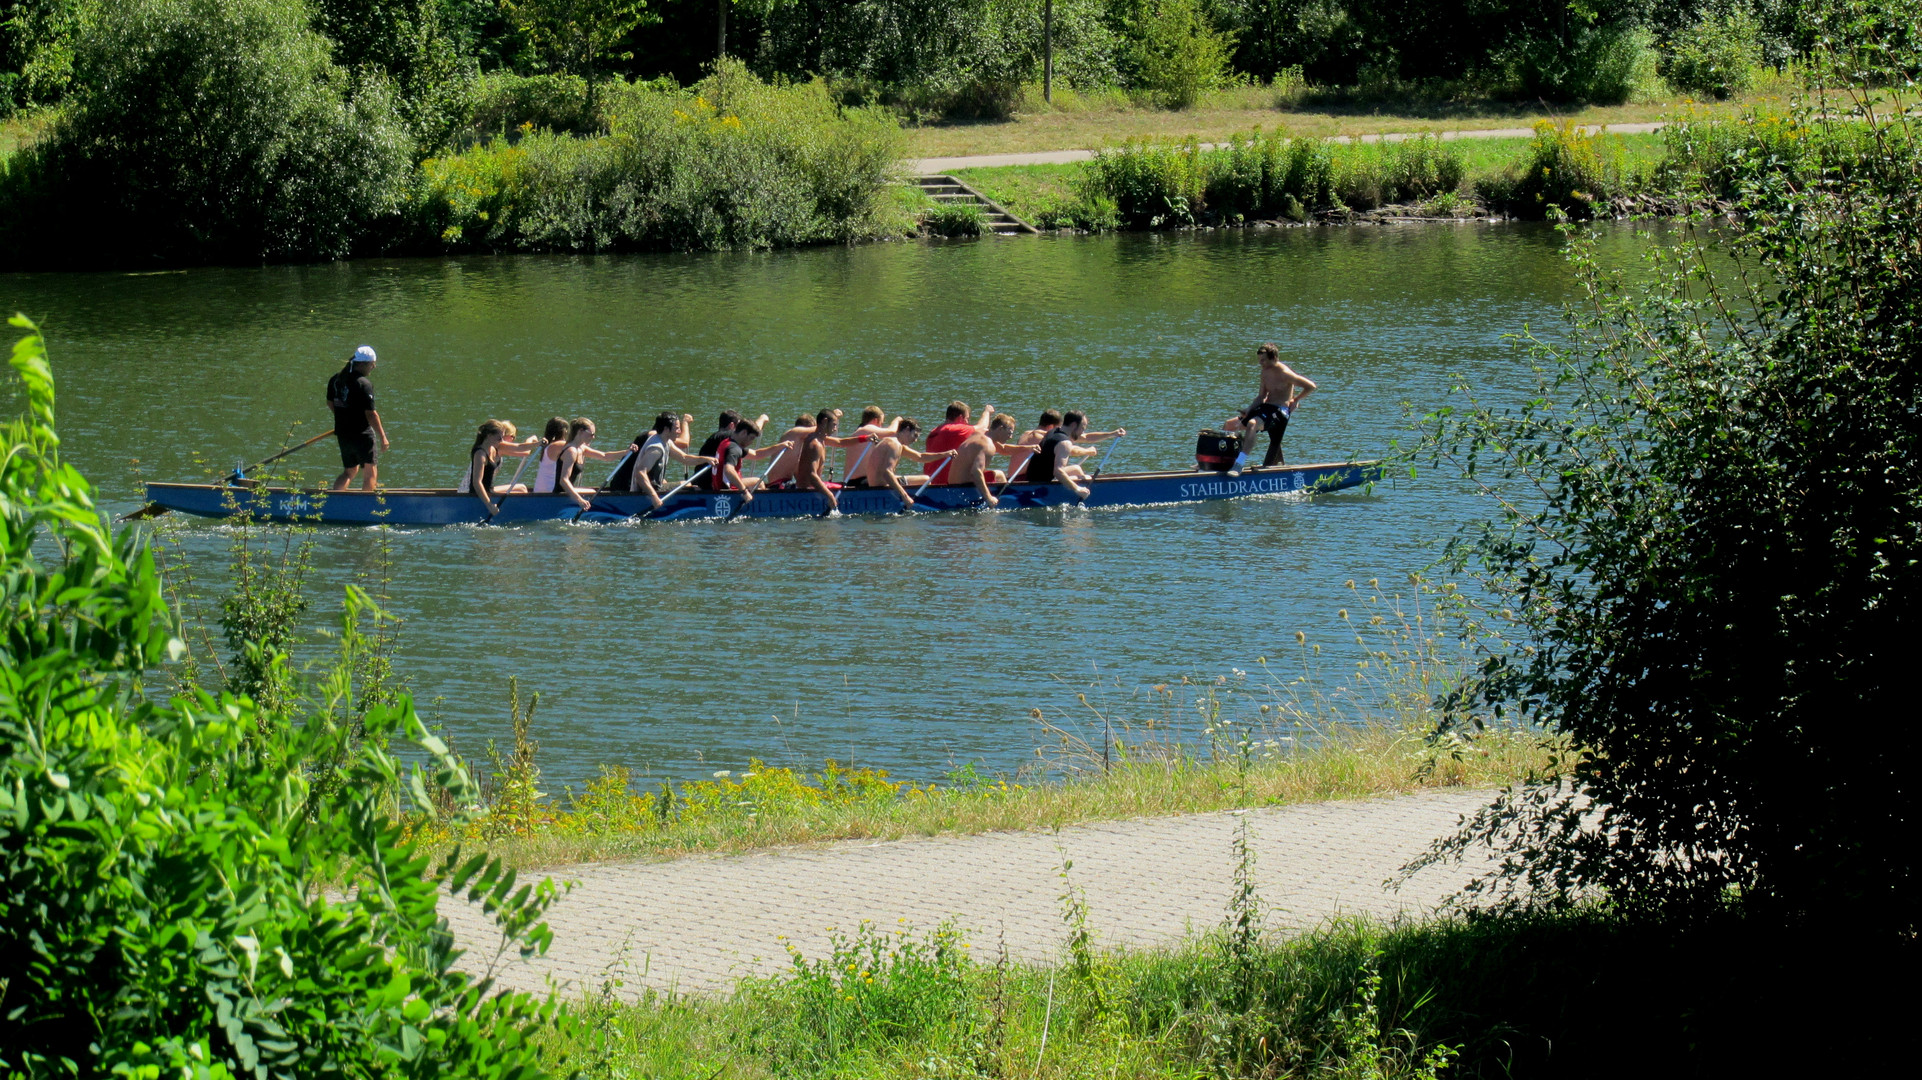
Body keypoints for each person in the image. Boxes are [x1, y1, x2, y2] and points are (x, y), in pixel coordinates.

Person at [1233, 343, 1317, 472]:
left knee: (1252, 424)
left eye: (1263, 360)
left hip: (1279, 411)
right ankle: (1218, 462)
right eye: (1259, 360)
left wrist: (1296, 399)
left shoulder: (1285, 373)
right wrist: (1249, 409)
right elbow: (1261, 397)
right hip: (1266, 408)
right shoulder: (1264, 372)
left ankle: (1239, 463)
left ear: (1274, 358)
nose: (1261, 363)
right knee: (1230, 425)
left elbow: (1310, 386)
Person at [616, 412, 709, 509]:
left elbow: (685, 458)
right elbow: (640, 473)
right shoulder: (656, 447)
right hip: (639, 491)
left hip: (648, 486)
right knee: (691, 486)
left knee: (669, 482)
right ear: (666, 429)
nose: (679, 431)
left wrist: (707, 459)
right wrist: (654, 497)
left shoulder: (665, 441)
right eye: (677, 428)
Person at [326, 345, 388, 491]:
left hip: (343, 434)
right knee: (370, 473)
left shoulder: (335, 380)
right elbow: (371, 414)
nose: (373, 367)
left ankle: (335, 502)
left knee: (349, 471)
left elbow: (330, 403)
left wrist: (343, 417)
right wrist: (383, 437)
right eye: (372, 364)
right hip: (362, 435)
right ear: (363, 364)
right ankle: (367, 508)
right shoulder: (363, 384)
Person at [1019, 410, 1117, 500]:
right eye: (1082, 428)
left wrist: (1112, 434)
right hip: (1042, 485)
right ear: (1074, 425)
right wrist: (1077, 489)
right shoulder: (1064, 443)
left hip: (1034, 477)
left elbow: (1087, 437)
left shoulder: (1054, 431)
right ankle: (1085, 496)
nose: (1083, 432)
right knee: (1087, 479)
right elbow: (1058, 471)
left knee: (1076, 468)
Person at [866, 418, 958, 511]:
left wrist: (946, 454)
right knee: (925, 479)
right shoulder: (895, 444)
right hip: (881, 487)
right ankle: (918, 505)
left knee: (921, 478)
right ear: (906, 429)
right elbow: (887, 472)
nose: (916, 440)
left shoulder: (891, 441)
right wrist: (905, 496)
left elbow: (920, 457)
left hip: (875, 484)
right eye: (915, 435)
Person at [1007, 408, 1119, 478]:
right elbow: (1071, 450)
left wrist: (1112, 434)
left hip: (1016, 476)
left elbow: (1085, 437)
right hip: (1024, 479)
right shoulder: (1043, 436)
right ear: (1051, 427)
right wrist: (1088, 451)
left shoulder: (1026, 433)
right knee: (1076, 469)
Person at [457, 420, 537, 516]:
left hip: (486, 489)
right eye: (512, 436)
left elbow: (520, 447)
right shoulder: (481, 453)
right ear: (489, 436)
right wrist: (489, 505)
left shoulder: (493, 447)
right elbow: (476, 482)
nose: (502, 441)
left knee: (522, 488)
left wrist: (538, 443)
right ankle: (518, 514)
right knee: (522, 489)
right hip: (469, 492)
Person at [949, 413, 1021, 507]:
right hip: (964, 490)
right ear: (1000, 429)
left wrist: (1029, 448)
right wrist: (988, 497)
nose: (1010, 437)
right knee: (999, 476)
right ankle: (1004, 503)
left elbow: (1004, 449)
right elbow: (976, 472)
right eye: (1010, 433)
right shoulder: (987, 445)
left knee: (998, 473)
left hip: (951, 486)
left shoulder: (977, 435)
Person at [552, 417, 621, 511]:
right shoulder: (571, 451)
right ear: (581, 431)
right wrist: (580, 500)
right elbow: (563, 480)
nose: (593, 437)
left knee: (593, 491)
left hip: (567, 492)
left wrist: (628, 451)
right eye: (591, 434)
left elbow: (605, 456)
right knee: (593, 492)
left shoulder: (581, 448)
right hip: (560, 494)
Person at [794, 409, 844, 515]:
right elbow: (812, 475)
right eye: (834, 425)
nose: (835, 429)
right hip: (806, 491)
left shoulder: (819, 440)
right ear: (825, 422)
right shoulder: (815, 444)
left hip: (808, 488)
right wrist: (830, 496)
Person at [840, 406, 903, 483]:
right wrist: (897, 420)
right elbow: (891, 431)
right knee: (903, 481)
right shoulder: (866, 429)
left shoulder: (861, 433)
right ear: (875, 420)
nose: (881, 426)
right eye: (881, 423)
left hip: (855, 481)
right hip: (859, 481)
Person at [924, 401, 994, 463]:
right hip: (946, 477)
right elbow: (982, 428)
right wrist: (987, 412)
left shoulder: (934, 431)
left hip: (931, 476)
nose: (967, 422)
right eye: (967, 419)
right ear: (960, 418)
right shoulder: (954, 430)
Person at [531, 416, 571, 493]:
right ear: (564, 431)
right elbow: (577, 447)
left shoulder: (546, 446)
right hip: (549, 491)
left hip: (538, 490)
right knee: (591, 491)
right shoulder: (558, 445)